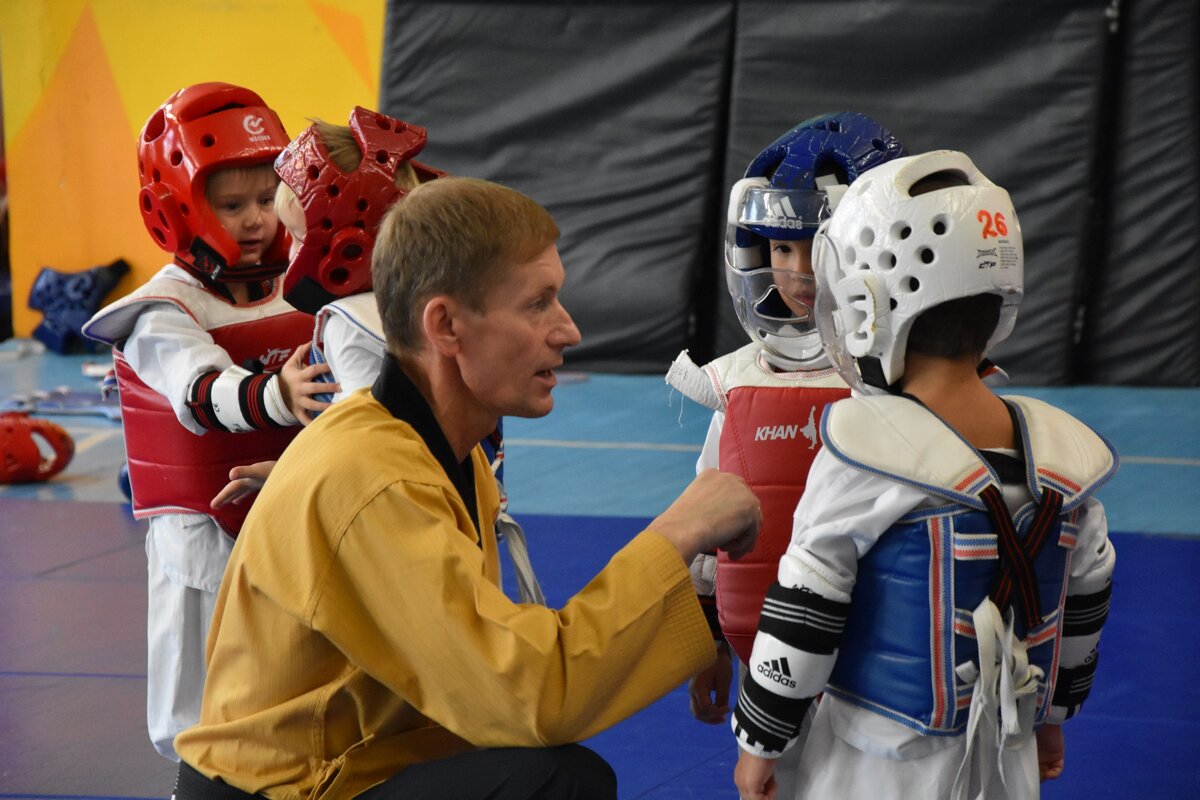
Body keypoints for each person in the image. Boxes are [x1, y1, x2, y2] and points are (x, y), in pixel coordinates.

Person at [172, 176, 763, 800]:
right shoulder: (374, 477)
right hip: (287, 789)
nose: (568, 332)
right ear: (446, 325)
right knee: (556, 784)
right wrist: (676, 537)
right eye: (538, 304)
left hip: (352, 765)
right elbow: (532, 694)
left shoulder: (432, 449)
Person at [730, 150, 1118, 800]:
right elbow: (1082, 602)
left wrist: (761, 741)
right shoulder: (1063, 461)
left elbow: (807, 603)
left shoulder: (866, 450)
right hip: (1006, 747)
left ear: (867, 307)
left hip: (875, 759)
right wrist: (1053, 717)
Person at [214, 107, 544, 603]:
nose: (293, 253)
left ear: (344, 239)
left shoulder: (351, 326)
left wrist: (290, 475)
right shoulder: (437, 306)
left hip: (397, 526)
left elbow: (361, 447)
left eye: (302, 237)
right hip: (466, 499)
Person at [665, 112, 905, 797]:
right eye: (782, 249)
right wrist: (709, 639)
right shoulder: (741, 378)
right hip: (769, 653)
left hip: (880, 654)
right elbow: (713, 512)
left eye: (818, 248)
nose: (799, 273)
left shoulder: (897, 374)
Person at [81, 82, 322, 760]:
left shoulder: (302, 285)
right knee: (202, 697)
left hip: (291, 507)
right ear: (178, 210)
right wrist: (275, 395)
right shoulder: (162, 312)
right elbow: (197, 388)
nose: (255, 220)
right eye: (231, 204)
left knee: (297, 674)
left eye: (265, 198)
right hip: (203, 533)